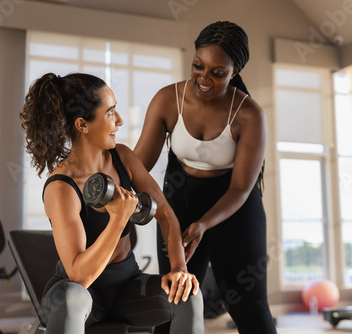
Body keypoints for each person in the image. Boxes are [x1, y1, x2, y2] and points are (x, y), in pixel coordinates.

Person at [19, 72, 204, 334]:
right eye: (110, 112)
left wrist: (179, 270)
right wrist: (117, 219)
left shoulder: (123, 158)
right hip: (79, 297)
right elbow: (79, 276)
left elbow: (166, 216)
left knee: (188, 294)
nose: (119, 120)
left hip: (127, 288)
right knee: (71, 296)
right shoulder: (61, 186)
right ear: (82, 124)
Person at [134, 21, 277, 333]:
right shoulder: (168, 100)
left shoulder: (249, 114)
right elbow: (137, 167)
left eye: (218, 72)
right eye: (198, 66)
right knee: (173, 298)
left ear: (235, 70)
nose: (204, 78)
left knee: (246, 302)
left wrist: (203, 225)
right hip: (181, 199)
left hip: (234, 204)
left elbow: (241, 187)